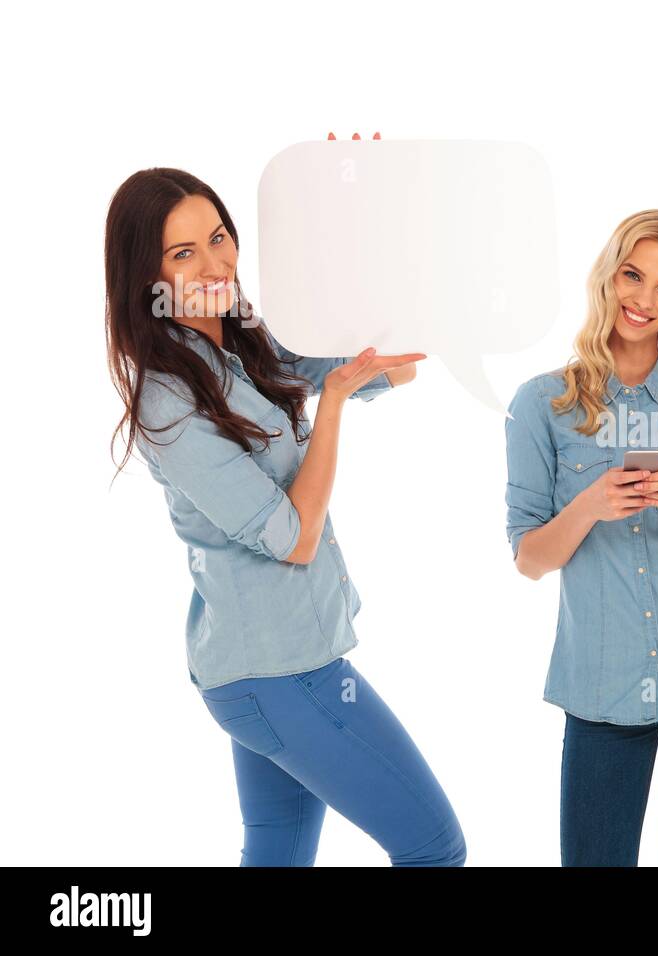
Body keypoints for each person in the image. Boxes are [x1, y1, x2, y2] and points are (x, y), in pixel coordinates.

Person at [106, 167, 465, 866]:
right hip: (275, 674)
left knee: (278, 856)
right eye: (184, 255)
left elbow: (394, 362)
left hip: (278, 666)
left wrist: (359, 217)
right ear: (145, 276)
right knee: (435, 848)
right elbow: (294, 539)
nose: (215, 265)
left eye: (218, 238)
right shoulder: (166, 401)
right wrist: (330, 405)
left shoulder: (244, 338)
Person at [505, 210, 658, 866]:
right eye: (633, 275)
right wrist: (589, 505)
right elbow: (529, 559)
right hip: (600, 685)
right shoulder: (543, 404)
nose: (644, 301)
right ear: (609, 276)